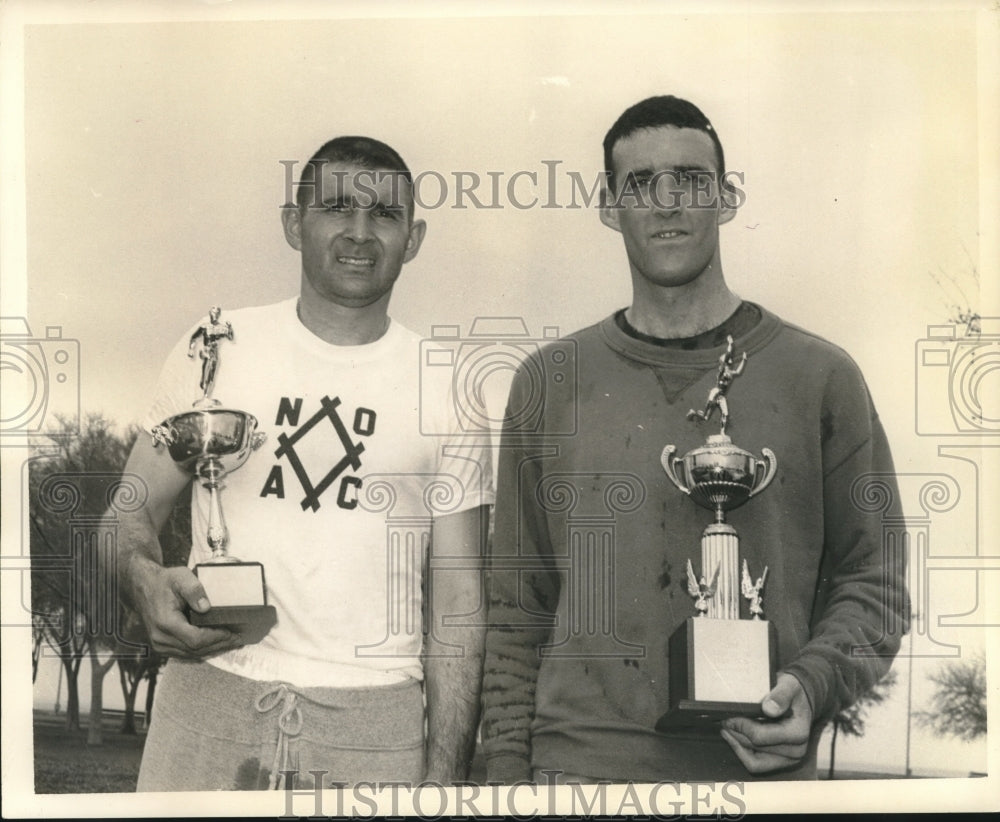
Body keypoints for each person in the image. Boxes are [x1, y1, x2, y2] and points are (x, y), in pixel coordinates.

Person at [481, 95, 908, 782]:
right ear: (607, 205)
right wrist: (503, 776)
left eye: (690, 180)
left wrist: (812, 685)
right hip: (580, 772)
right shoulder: (549, 382)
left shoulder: (822, 377)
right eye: (641, 184)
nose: (668, 202)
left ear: (728, 197)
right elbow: (515, 607)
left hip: (757, 772)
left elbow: (875, 583)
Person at [115, 136, 493, 791]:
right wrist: (142, 579)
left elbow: (458, 600)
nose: (360, 232)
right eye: (337, 208)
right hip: (210, 692)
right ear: (295, 224)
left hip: (374, 723)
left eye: (386, 215)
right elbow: (128, 516)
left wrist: (446, 775)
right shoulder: (216, 345)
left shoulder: (449, 383)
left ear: (415, 237)